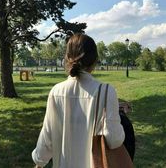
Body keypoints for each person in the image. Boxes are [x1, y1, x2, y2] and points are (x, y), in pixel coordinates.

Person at [32, 33, 125, 168]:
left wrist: (39, 162)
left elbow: (46, 140)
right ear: (95, 60)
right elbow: (114, 139)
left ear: (67, 58)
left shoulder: (56, 92)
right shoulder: (106, 91)